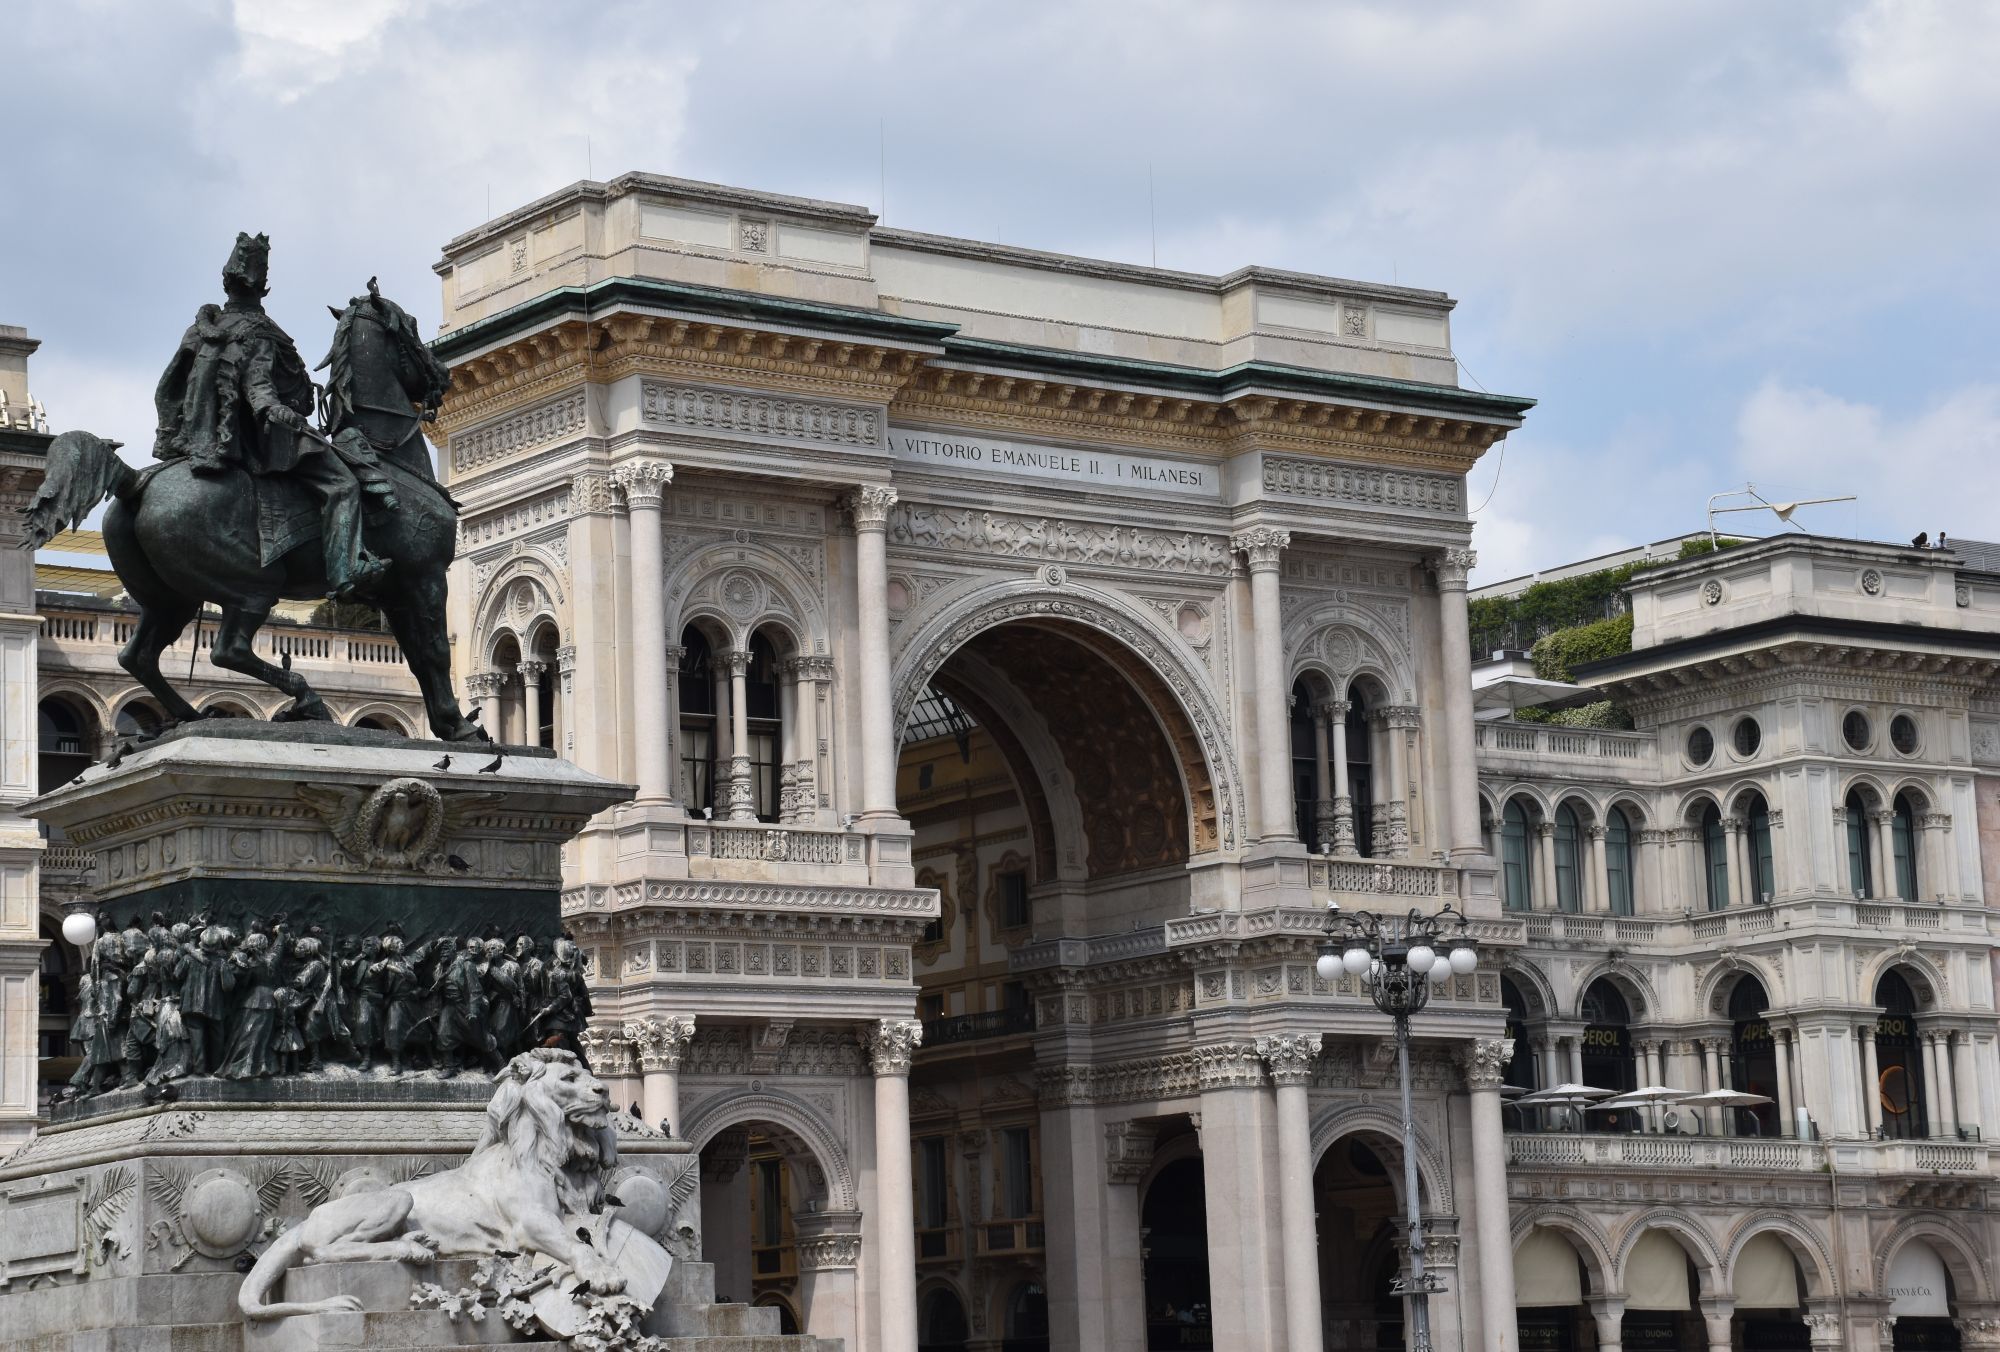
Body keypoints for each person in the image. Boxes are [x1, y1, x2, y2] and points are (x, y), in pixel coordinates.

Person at [152, 232, 393, 600]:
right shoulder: (257, 330)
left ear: (226, 280)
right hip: (262, 439)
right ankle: (347, 570)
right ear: (262, 285)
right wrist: (275, 409)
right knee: (342, 485)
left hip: (204, 438)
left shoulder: (200, 330)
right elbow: (259, 386)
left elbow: (169, 388)